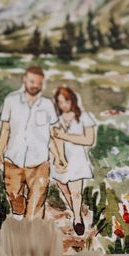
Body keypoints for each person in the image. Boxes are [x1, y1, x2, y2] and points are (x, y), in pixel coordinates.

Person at [0, 65, 66, 219]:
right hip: (13, 158)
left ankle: (31, 233)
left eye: (39, 83)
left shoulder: (47, 105)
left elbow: (54, 134)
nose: (35, 86)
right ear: (25, 80)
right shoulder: (11, 101)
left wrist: (60, 157)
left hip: (39, 161)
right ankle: (18, 212)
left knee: (37, 203)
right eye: (32, 81)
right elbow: (5, 129)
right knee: (14, 195)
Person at [50, 86, 96, 236]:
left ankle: (77, 219)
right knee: (65, 190)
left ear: (73, 100)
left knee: (76, 193)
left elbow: (89, 140)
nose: (64, 105)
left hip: (77, 158)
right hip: (59, 157)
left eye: (66, 101)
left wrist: (65, 136)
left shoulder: (84, 116)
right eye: (60, 102)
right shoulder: (56, 118)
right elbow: (53, 138)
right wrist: (58, 158)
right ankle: (76, 211)